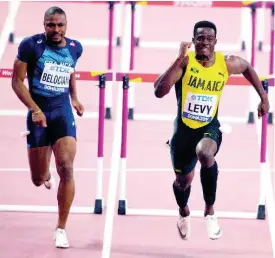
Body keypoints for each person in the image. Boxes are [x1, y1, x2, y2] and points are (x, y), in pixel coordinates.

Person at [154, 20, 269, 240]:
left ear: (215, 42)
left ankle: (210, 210)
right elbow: (159, 91)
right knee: (182, 182)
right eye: (200, 38)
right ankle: (184, 211)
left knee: (205, 153)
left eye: (209, 39)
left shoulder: (225, 64)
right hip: (183, 131)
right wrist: (179, 57)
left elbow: (247, 67)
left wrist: (264, 97)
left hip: (209, 126)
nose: (204, 43)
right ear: (194, 41)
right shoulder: (185, 63)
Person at [11, 6, 84, 248]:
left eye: (60, 25)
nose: (56, 29)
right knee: (37, 178)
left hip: (62, 112)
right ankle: (45, 173)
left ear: (66, 25)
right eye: (51, 25)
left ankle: (61, 228)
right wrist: (34, 109)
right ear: (44, 25)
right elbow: (16, 82)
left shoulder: (75, 48)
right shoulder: (31, 46)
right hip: (38, 114)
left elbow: (71, 72)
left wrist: (74, 98)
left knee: (67, 167)